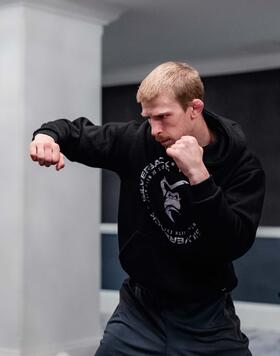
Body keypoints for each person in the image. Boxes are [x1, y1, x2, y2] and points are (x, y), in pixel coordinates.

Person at [30, 61, 265, 355]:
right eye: (148, 117)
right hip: (139, 308)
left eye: (163, 117)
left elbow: (233, 242)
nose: (154, 129)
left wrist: (200, 177)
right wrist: (46, 137)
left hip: (205, 315)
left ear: (194, 108)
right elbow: (74, 132)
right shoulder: (137, 141)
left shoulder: (242, 166)